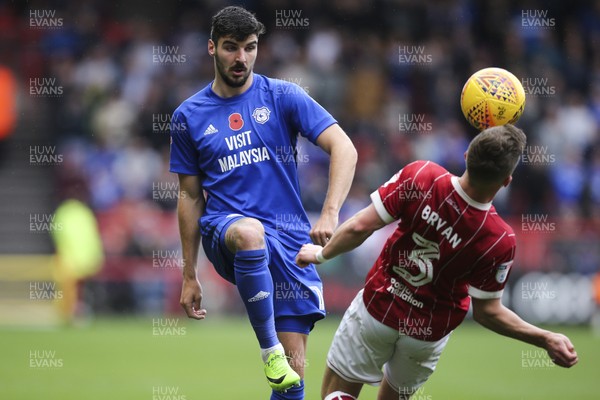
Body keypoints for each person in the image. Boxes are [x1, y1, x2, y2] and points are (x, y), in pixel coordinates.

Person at [296, 124, 578, 400]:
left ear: (466, 155)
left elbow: (360, 227)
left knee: (338, 393)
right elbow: (487, 312)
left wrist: (321, 254)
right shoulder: (500, 239)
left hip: (379, 308)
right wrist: (545, 338)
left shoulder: (422, 176)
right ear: (506, 181)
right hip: (426, 335)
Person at [169, 6, 357, 399]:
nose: (241, 58)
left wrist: (329, 212)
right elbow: (189, 196)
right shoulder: (188, 116)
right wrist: (190, 273)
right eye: (231, 48)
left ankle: (280, 362)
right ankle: (268, 350)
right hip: (228, 230)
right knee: (250, 233)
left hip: (288, 242)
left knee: (293, 383)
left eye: (250, 48)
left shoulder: (282, 95)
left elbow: (344, 146)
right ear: (211, 48)